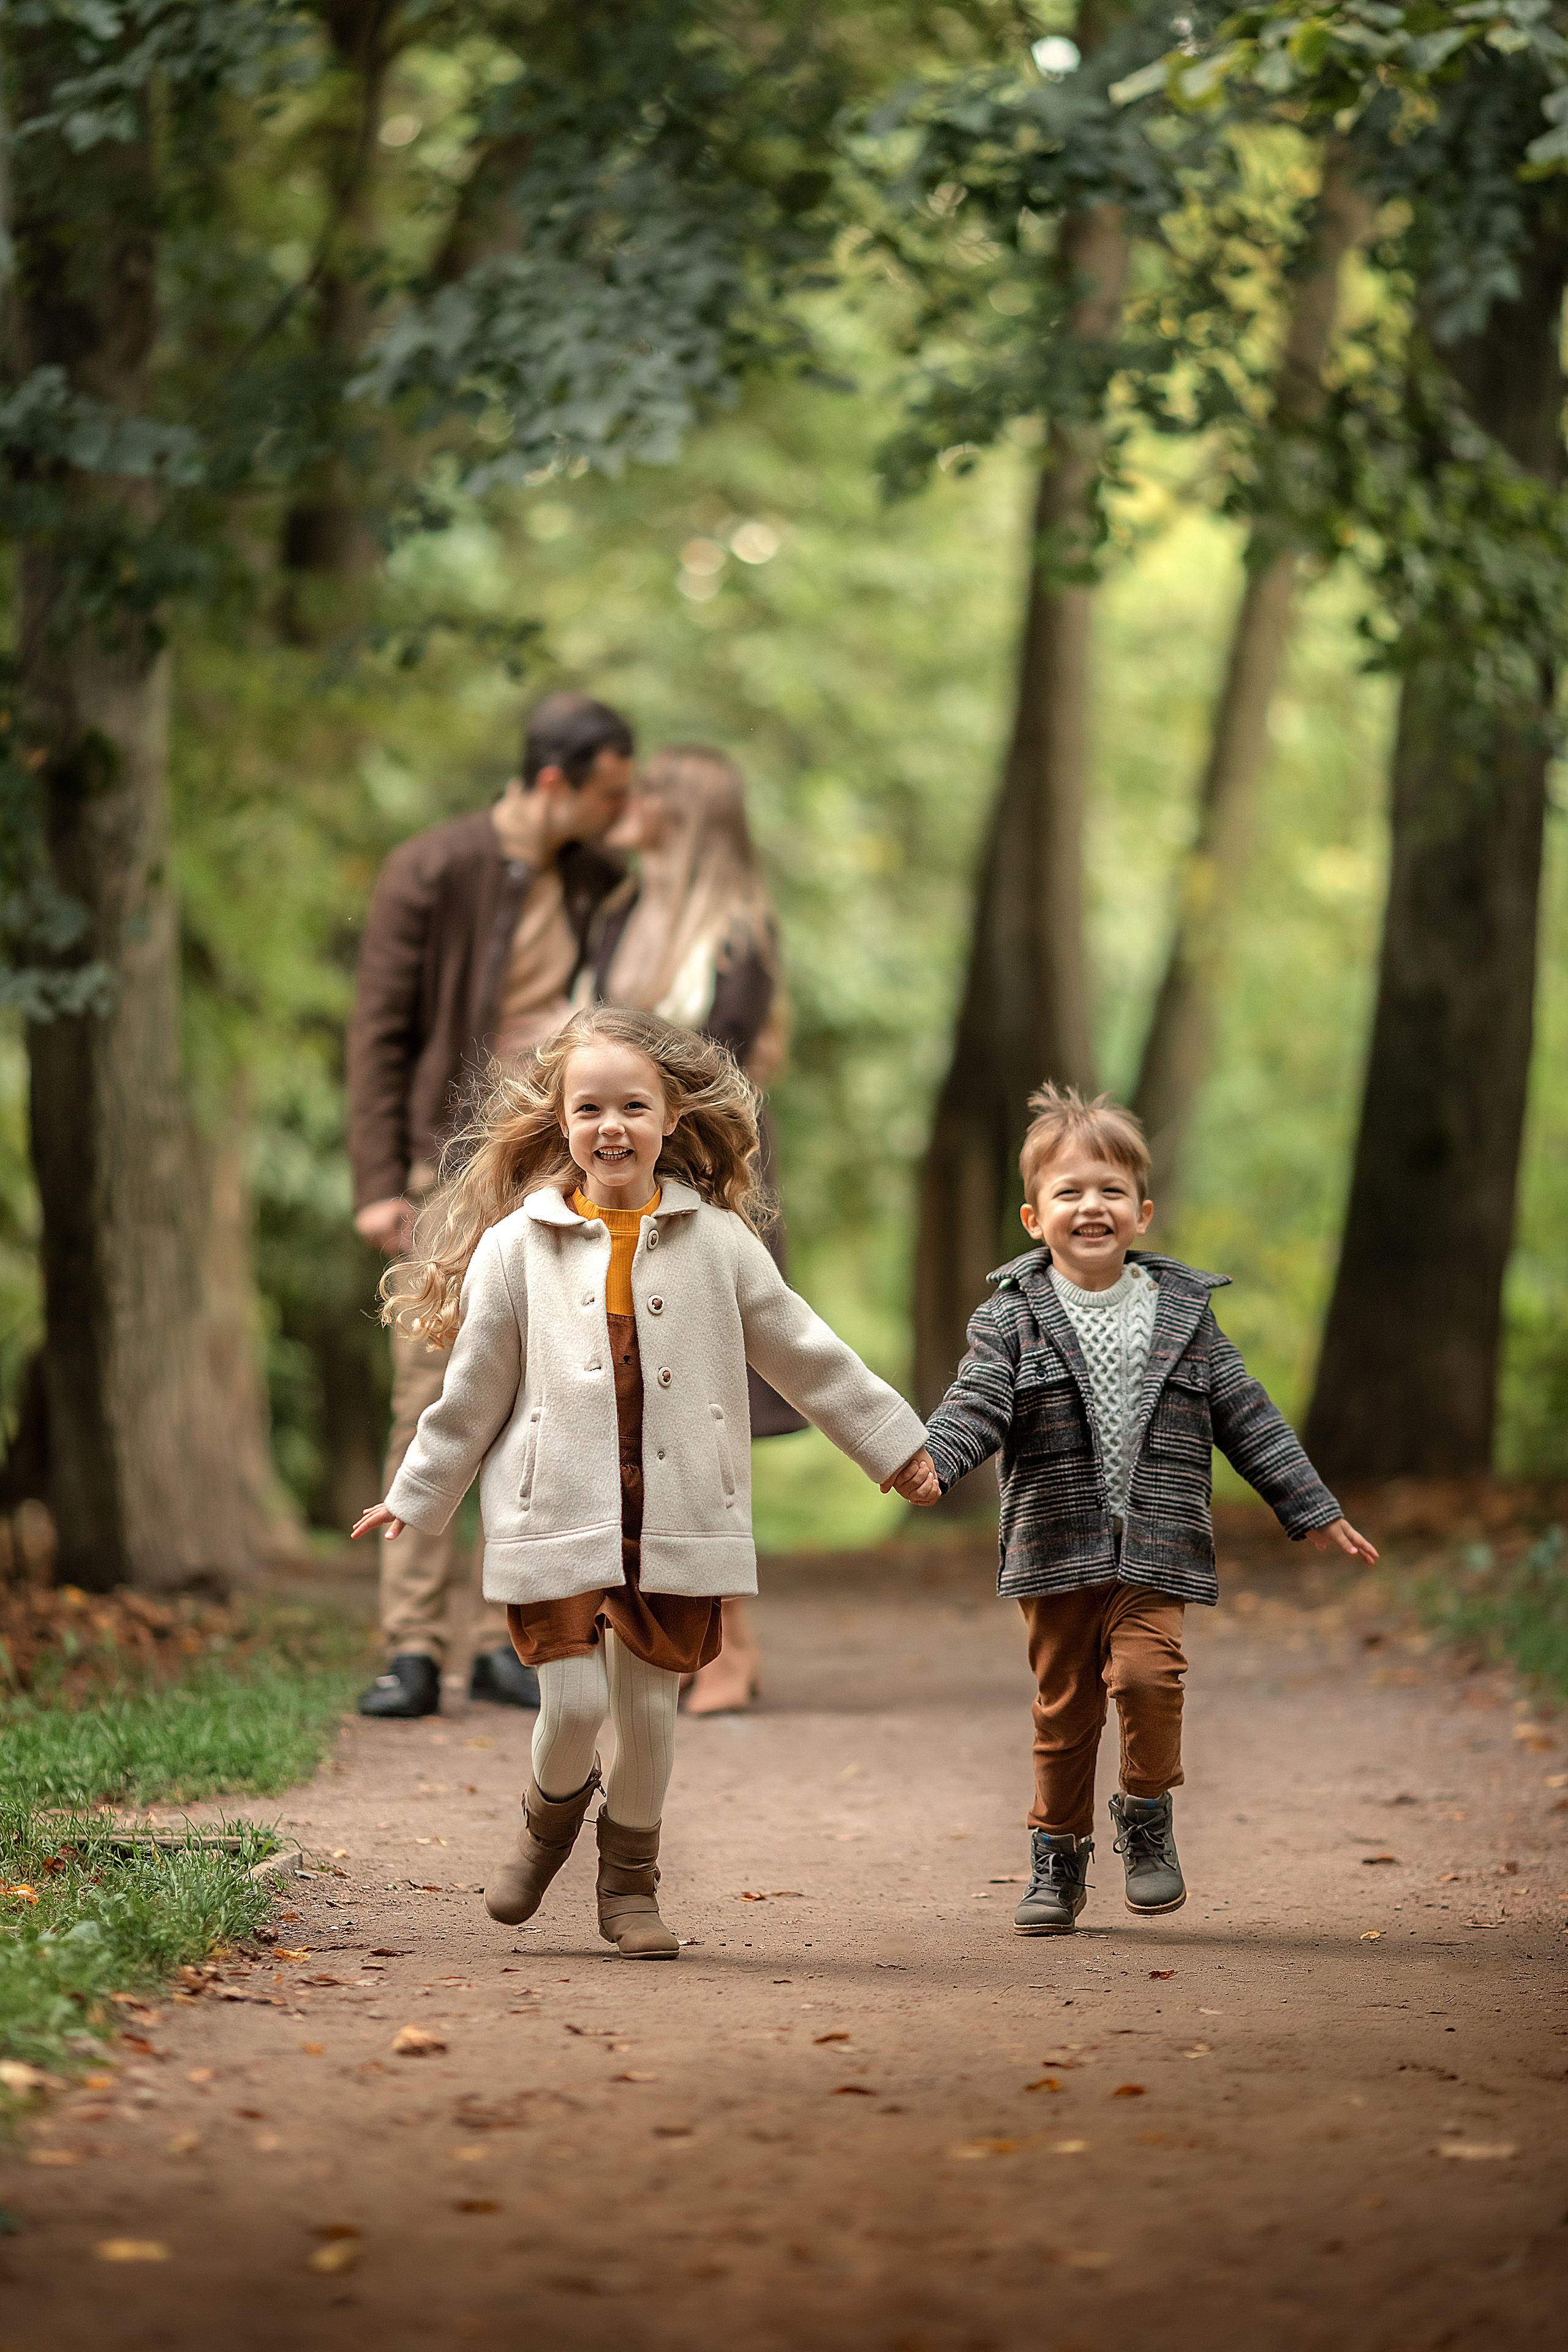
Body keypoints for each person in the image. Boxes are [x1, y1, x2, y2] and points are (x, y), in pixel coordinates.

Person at [351, 1007, 929, 1957]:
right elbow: (474, 1393)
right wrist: (417, 1492)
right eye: (589, 1108)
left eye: (632, 1106)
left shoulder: (720, 1242)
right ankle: (547, 1825)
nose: (610, 1125)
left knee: (651, 1717)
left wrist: (893, 1446)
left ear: (671, 1119)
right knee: (574, 1706)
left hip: (676, 1514)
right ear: (560, 1124)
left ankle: (630, 1887)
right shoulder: (515, 1249)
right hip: (555, 1510)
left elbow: (806, 1352)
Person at [890, 1082, 1378, 1935]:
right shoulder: (1009, 1320)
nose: (1092, 1206)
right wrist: (935, 1460)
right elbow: (978, 1403)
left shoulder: (1186, 1316)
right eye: (1069, 1192)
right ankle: (1057, 1857)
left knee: (1150, 1680)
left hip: (1160, 1547)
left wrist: (1313, 1507)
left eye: (1111, 1191)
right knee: (1065, 1711)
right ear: (1033, 1218)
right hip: (1055, 1550)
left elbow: (1248, 1415)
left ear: (1142, 1213)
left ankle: (1147, 1818)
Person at [346, 692, 633, 1719]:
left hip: (562, 1169)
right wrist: (381, 1181)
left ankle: (496, 1641)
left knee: (538, 1397)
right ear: (555, 781)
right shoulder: (433, 867)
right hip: (448, 1165)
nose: (623, 808)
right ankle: (411, 1649)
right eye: (610, 789)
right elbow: (379, 1032)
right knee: (430, 1390)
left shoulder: (600, 881)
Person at [592, 743, 804, 1714]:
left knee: (705, 1416)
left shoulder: (738, 933)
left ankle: (735, 1647)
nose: (625, 802)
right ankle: (670, 1640)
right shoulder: (621, 916)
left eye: (646, 792)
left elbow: (724, 1082)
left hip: (708, 1190)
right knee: (636, 1415)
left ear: (681, 811)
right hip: (622, 1196)